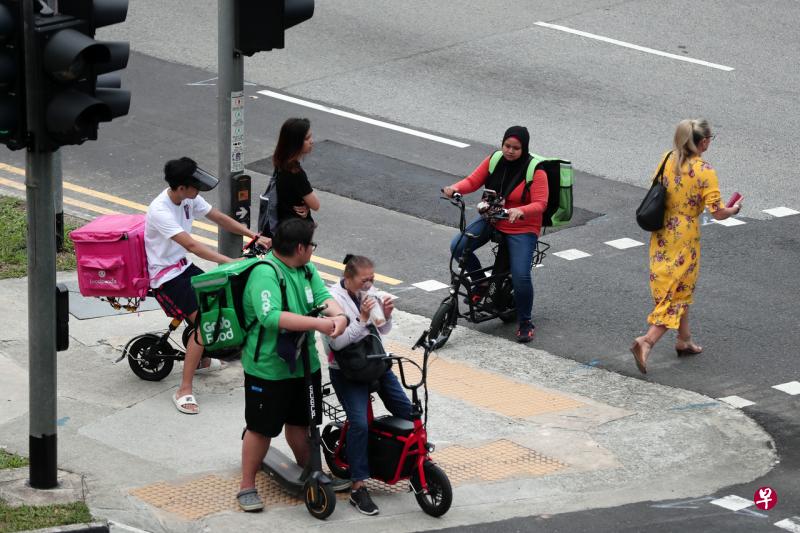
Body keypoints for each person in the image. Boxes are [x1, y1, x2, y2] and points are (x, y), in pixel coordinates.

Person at [237, 218, 349, 513]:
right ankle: (247, 485)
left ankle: (314, 473)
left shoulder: (306, 268)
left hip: (305, 364)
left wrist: (339, 317)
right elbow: (270, 317)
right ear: (300, 247)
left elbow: (325, 298)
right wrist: (321, 324)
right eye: (312, 244)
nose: (313, 249)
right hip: (268, 368)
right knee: (261, 429)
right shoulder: (266, 273)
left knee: (303, 423)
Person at [145, 157, 271, 415]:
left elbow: (219, 218)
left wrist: (254, 236)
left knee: (221, 304)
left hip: (182, 267)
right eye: (195, 186)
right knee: (206, 323)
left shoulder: (189, 198)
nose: (198, 192)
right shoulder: (160, 210)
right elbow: (192, 246)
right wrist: (230, 263)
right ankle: (184, 389)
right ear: (181, 187)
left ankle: (201, 360)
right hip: (165, 278)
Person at [630, 119, 743, 374]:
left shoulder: (667, 158)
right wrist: (735, 209)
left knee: (673, 285)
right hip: (685, 235)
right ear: (703, 142)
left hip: (662, 231)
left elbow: (657, 186)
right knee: (678, 291)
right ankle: (647, 341)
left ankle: (684, 339)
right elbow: (718, 213)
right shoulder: (705, 170)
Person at [324, 255, 412, 516]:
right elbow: (337, 344)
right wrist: (362, 319)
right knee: (360, 423)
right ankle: (358, 485)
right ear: (349, 278)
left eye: (372, 278)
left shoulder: (369, 293)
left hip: (375, 362)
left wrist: (385, 315)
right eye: (365, 280)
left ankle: (413, 464)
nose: (370, 283)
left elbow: (382, 332)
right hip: (347, 370)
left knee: (407, 410)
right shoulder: (332, 299)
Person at [442, 126, 549, 343]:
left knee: (521, 276)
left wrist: (521, 210)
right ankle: (481, 283)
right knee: (458, 246)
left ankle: (525, 321)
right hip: (493, 218)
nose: (510, 151)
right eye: (507, 146)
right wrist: (455, 188)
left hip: (522, 226)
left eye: (516, 148)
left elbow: (541, 203)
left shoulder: (536, 171)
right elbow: (473, 181)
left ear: (524, 148)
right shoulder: (494, 159)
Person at [273, 117, 321, 225]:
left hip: (282, 224)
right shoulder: (296, 173)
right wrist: (308, 205)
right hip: (296, 230)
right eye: (307, 138)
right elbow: (316, 205)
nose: (311, 141)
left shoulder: (280, 162)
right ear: (295, 142)